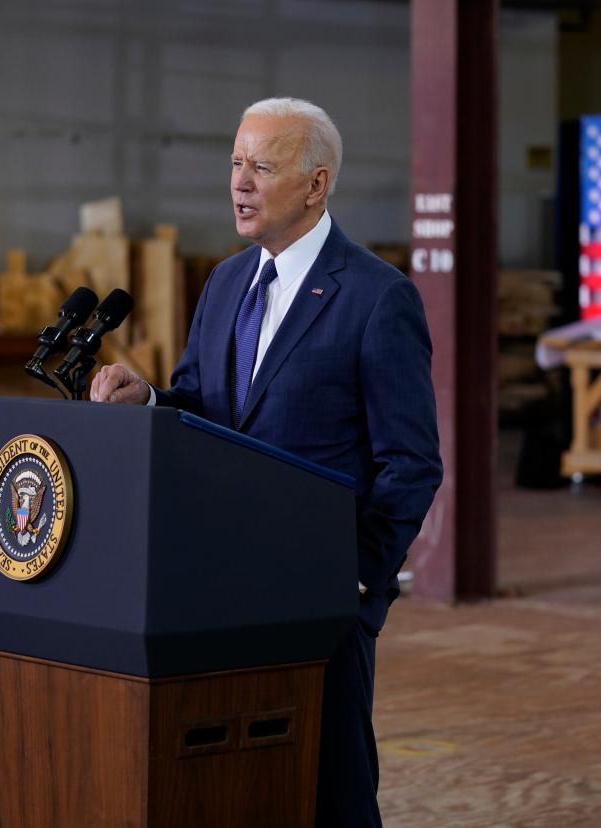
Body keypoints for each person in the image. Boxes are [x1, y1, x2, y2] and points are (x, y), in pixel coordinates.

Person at [90, 97, 442, 826]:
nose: (239, 184)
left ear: (316, 184)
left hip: (320, 600)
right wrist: (148, 398)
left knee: (333, 794)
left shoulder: (378, 298)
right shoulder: (224, 283)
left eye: (262, 167)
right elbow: (201, 406)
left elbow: (411, 462)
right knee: (238, 790)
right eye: (235, 164)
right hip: (218, 589)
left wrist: (357, 580)